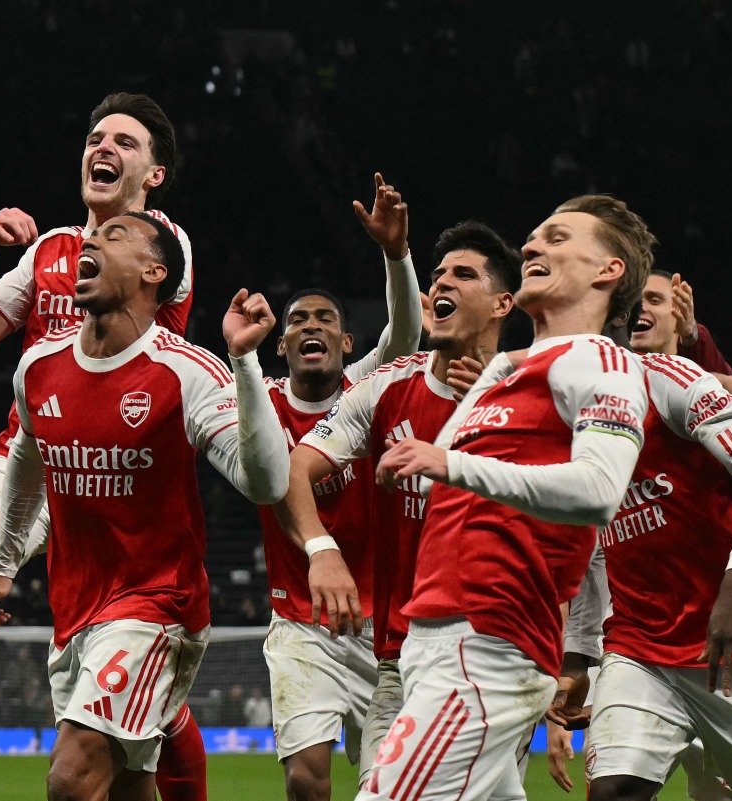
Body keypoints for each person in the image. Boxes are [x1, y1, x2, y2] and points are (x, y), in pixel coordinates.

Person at [0, 92, 202, 801]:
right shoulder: (50, 251)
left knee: (150, 708)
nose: (105, 148)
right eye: (96, 136)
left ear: (154, 175)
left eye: (126, 142)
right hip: (35, 452)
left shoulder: (165, 247)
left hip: (118, 475)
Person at [0, 212, 290, 800]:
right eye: (92, 236)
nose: (90, 240)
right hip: (76, 609)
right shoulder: (39, 365)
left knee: (70, 777)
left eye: (114, 236)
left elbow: (265, 483)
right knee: (127, 788)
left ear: (154, 270)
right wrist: (4, 561)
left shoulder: (187, 371)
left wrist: (245, 361)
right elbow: (26, 460)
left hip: (157, 606)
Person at [354, 194, 654, 801]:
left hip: (487, 640)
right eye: (536, 236)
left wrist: (449, 461)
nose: (536, 246)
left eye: (559, 237)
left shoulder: (601, 363)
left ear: (608, 270)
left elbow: (599, 491)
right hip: (434, 634)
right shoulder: (506, 370)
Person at [277, 220, 521, 794]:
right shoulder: (386, 389)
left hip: (496, 655)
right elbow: (295, 469)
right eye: (438, 274)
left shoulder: (529, 393)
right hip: (401, 655)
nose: (444, 283)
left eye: (464, 275)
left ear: (501, 303)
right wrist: (321, 550)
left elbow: (571, 518)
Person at [546, 317, 732, 801]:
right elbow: (590, 551)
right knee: (614, 790)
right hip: (639, 650)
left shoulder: (667, 380)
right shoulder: (564, 428)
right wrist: (577, 659)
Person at [256, 174, 419, 801]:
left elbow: (405, 338)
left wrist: (396, 255)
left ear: (348, 344)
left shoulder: (366, 390)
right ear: (284, 344)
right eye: (298, 320)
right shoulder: (260, 403)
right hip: (303, 623)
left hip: (384, 628)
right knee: (305, 778)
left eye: (325, 318)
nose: (311, 325)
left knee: (392, 786)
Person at [630, 270, 732, 372]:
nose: (640, 308)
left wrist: (691, 336)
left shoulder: (705, 382)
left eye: (655, 301)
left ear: (681, 313)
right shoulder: (615, 376)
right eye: (632, 303)